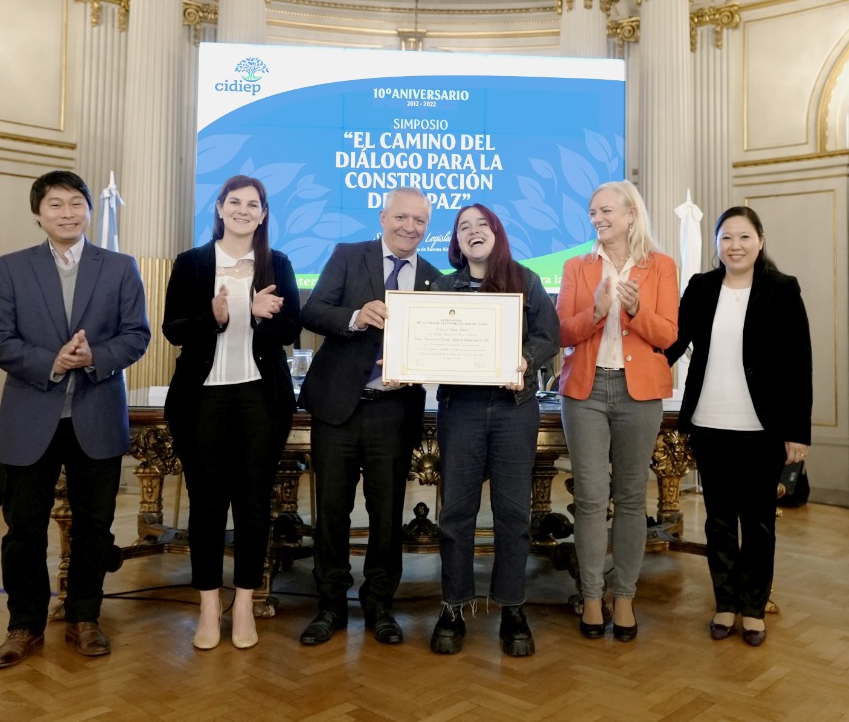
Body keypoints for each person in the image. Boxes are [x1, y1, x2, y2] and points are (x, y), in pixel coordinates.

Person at [0, 171, 150, 669]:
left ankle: (84, 617)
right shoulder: (11, 268)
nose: (67, 212)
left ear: (89, 211)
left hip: (95, 415)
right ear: (38, 213)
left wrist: (93, 355)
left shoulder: (119, 267)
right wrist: (52, 362)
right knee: (22, 529)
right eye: (56, 205)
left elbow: (135, 335)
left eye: (76, 203)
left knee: (95, 527)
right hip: (31, 415)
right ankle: (24, 625)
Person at [297, 186, 442, 645]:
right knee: (332, 513)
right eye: (402, 217)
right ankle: (331, 606)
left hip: (394, 413)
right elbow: (313, 311)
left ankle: (380, 604)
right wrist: (357, 316)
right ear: (382, 217)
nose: (409, 227)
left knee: (385, 516)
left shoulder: (436, 279)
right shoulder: (347, 255)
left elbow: (441, 347)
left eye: (419, 221)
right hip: (338, 407)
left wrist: (420, 369)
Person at [162, 175, 302, 651]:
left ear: (264, 214)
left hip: (261, 400)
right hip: (202, 399)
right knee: (205, 504)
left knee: (252, 504)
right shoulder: (192, 263)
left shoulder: (277, 263)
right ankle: (207, 605)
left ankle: (243, 602)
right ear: (220, 208)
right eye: (235, 202)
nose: (244, 210)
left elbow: (288, 332)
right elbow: (174, 330)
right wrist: (217, 317)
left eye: (254, 204)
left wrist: (261, 314)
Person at [665, 206, 812, 648]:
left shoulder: (783, 289)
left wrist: (798, 431)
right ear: (717, 244)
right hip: (710, 423)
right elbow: (672, 343)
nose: (735, 246)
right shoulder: (702, 286)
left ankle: (753, 607)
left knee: (760, 522)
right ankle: (724, 603)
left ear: (760, 240)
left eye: (744, 237)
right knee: (719, 523)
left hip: (762, 429)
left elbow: (798, 364)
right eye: (727, 238)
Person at [428, 204, 560, 657]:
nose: (473, 232)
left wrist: (524, 358)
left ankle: (512, 606)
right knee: (456, 515)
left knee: (512, 516)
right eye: (463, 227)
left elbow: (549, 335)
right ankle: (453, 606)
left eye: (481, 224)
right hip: (460, 410)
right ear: (456, 242)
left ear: (497, 232)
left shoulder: (526, 279)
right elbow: (426, 339)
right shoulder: (443, 286)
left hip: (512, 410)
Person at [556, 181, 678, 642]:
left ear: (631, 214)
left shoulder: (661, 267)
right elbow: (563, 332)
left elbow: (667, 335)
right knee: (589, 497)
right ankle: (591, 596)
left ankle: (623, 595)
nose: (598, 218)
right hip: (585, 392)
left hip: (639, 394)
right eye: (592, 212)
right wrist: (596, 311)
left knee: (630, 498)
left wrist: (634, 309)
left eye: (606, 210)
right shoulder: (577, 267)